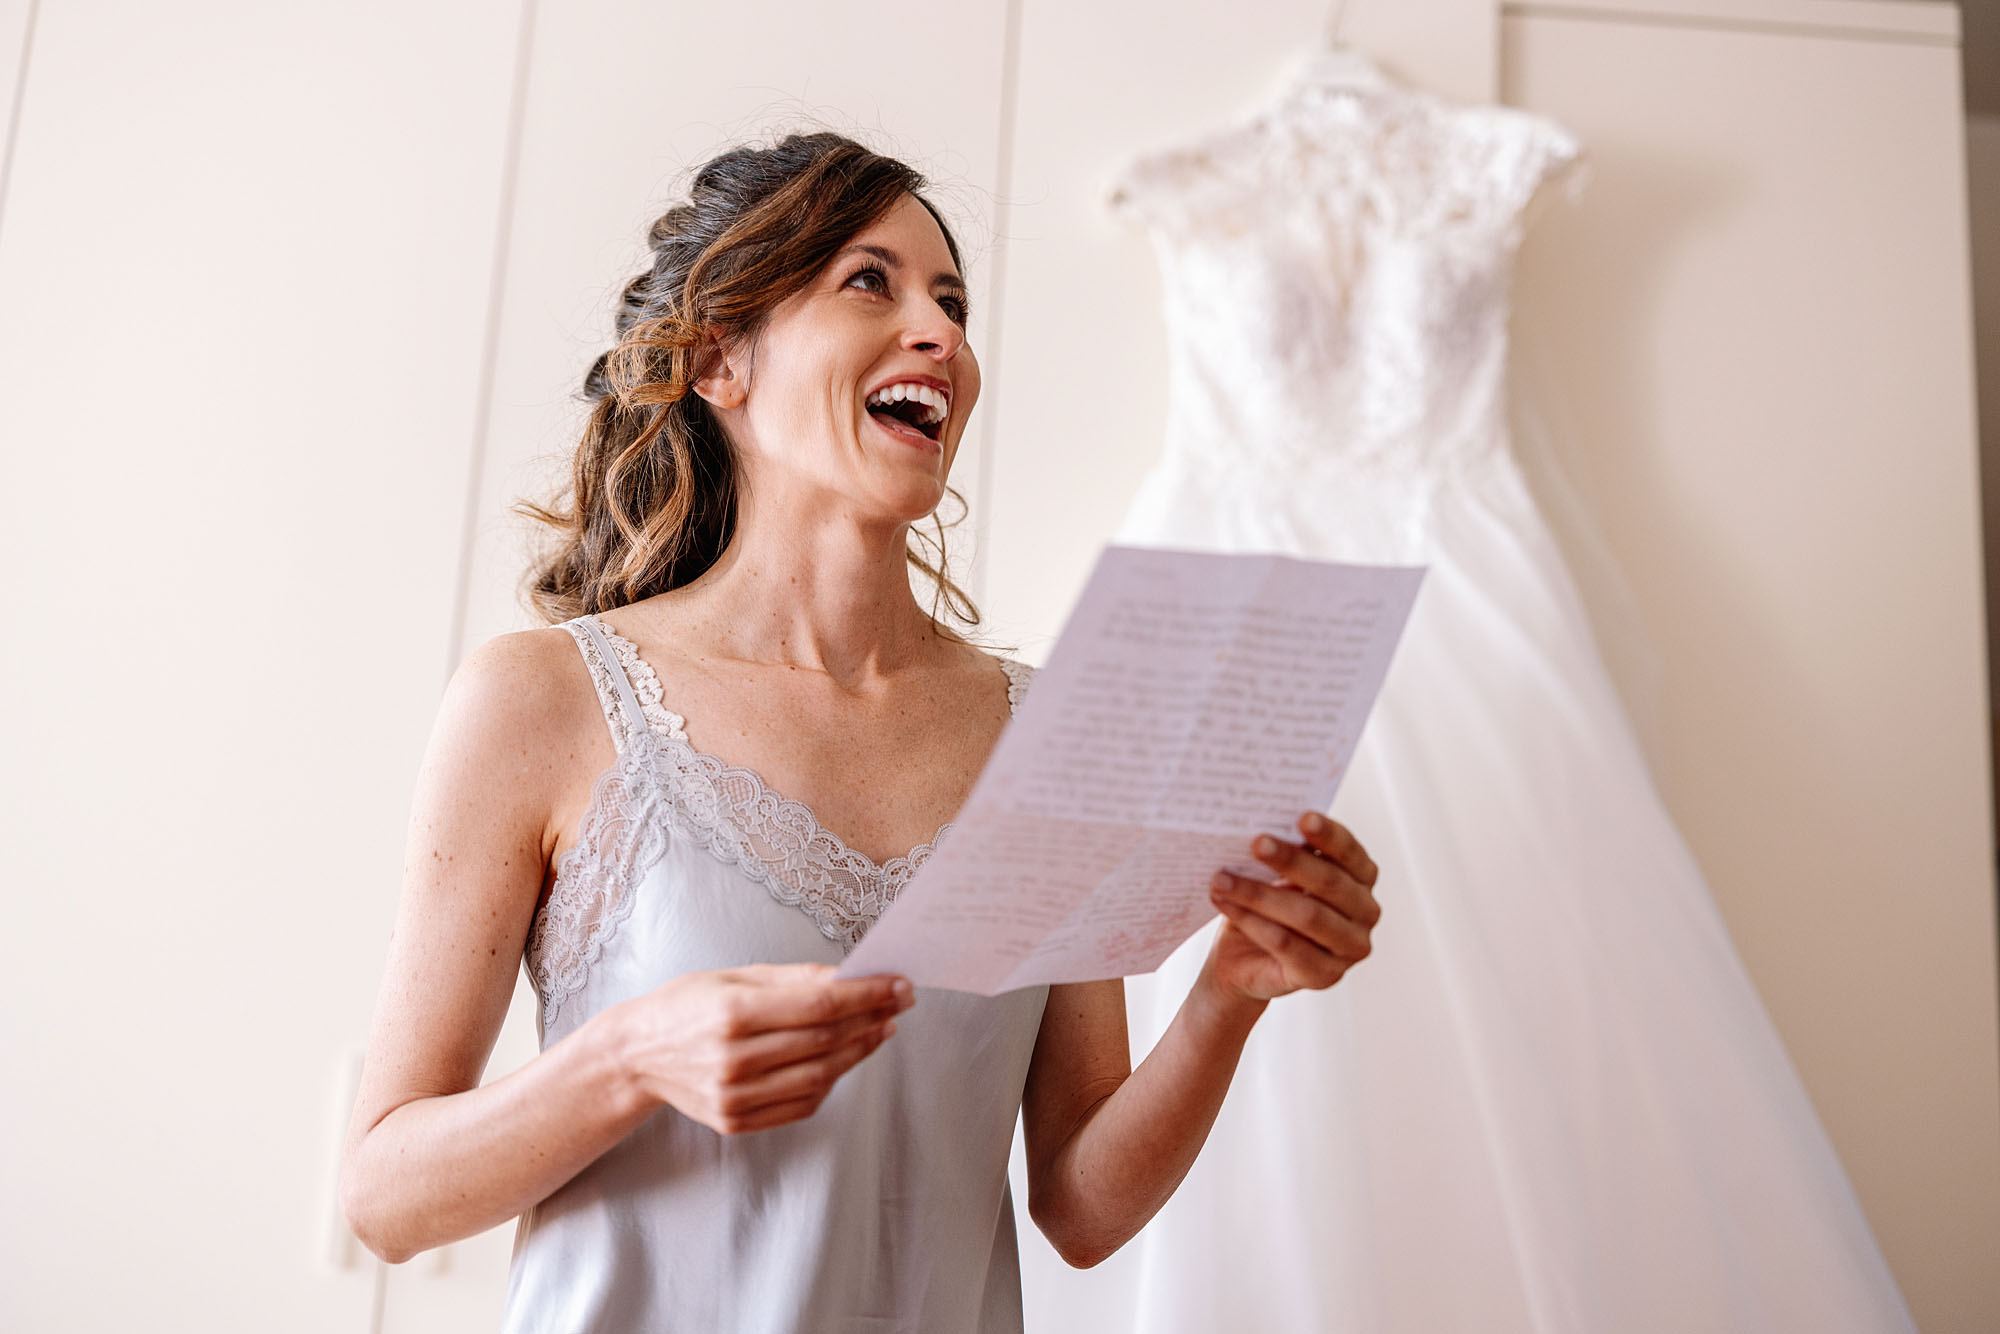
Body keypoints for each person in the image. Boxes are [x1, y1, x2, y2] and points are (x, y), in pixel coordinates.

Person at [336, 129, 1383, 1333]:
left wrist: (1228, 992)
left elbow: (1079, 1206)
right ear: (719, 358)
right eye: (867, 282)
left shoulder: (1051, 734)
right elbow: (384, 1195)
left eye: (951, 299)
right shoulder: (541, 700)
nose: (940, 332)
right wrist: (620, 1061)